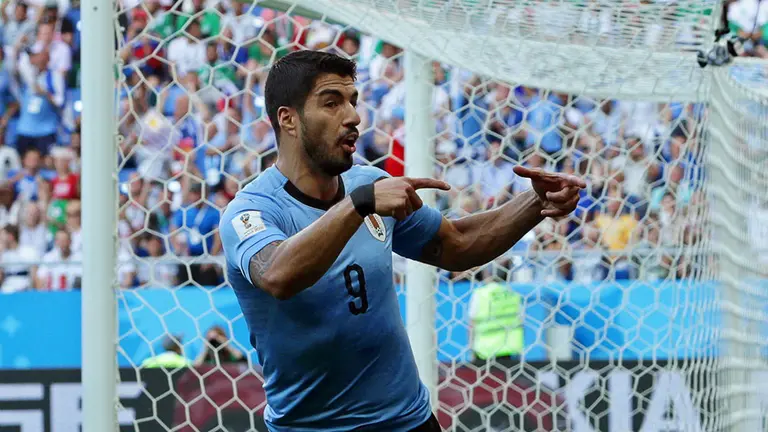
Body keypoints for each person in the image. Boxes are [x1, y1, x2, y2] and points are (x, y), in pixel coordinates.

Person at [219, 50, 585, 432]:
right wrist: (358, 206)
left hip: (407, 422)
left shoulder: (366, 184)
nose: (352, 117)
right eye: (331, 103)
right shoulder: (252, 212)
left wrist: (535, 203)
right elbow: (279, 274)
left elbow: (456, 243)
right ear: (288, 119)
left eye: (353, 102)